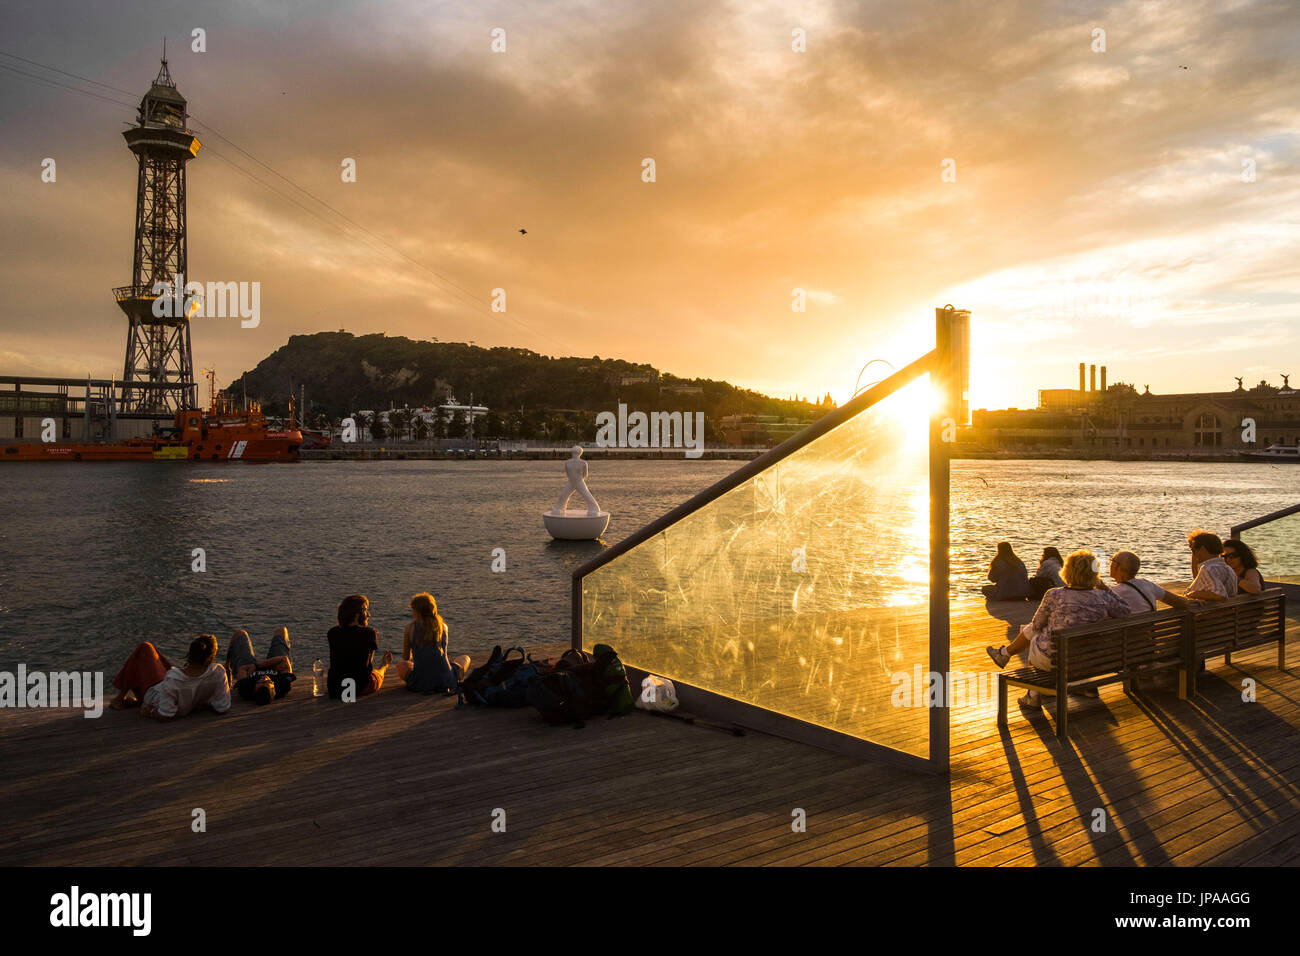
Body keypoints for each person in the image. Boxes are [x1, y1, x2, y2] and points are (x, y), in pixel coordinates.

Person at [986, 549, 1132, 707]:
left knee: (1032, 632)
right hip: (1089, 661)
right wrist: (1106, 589)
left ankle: (1030, 690)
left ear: (1067, 571)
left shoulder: (1054, 595)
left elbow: (1036, 626)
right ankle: (1005, 655)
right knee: (1042, 633)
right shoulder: (1104, 597)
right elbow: (1126, 611)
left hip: (1055, 661)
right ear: (1094, 575)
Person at [110, 635, 231, 720]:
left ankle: (119, 699)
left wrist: (150, 712)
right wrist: (203, 705)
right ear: (210, 657)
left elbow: (165, 715)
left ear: (190, 654)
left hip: (153, 694)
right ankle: (121, 699)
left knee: (145, 648)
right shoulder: (218, 672)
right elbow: (222, 708)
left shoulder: (174, 679)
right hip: (174, 691)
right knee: (157, 657)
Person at [393, 593, 471, 694]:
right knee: (465, 658)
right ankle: (455, 674)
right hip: (446, 681)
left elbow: (406, 657)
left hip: (420, 683)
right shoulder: (443, 627)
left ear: (417, 611)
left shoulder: (410, 628)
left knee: (400, 665)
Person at [327, 594, 393, 699]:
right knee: (377, 674)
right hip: (357, 688)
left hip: (335, 688)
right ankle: (384, 666)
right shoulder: (369, 633)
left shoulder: (332, 632)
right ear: (357, 615)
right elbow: (367, 666)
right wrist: (372, 639)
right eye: (366, 611)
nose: (368, 615)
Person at [226, 627, 296, 705]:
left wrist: (256, 667)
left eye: (259, 681)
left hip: (251, 667)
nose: (264, 677)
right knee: (281, 631)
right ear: (273, 688)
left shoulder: (246, 689)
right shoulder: (283, 686)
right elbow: (284, 659)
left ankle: (227, 667)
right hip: (270, 666)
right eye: (268, 681)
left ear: (254, 689)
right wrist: (263, 666)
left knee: (240, 634)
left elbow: (242, 668)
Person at [1107, 551, 1190, 613]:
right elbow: (1180, 602)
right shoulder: (1147, 584)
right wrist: (1190, 601)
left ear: (1118, 567)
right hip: (1148, 634)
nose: (1110, 563)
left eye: (1112, 561)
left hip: (1127, 636)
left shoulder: (1114, 593)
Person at [1184, 529, 1239, 603]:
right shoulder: (1229, 569)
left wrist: (1194, 594)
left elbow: (1220, 595)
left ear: (1202, 549)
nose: (1194, 555)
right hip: (1229, 611)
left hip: (1210, 612)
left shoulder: (1208, 569)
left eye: (1194, 550)